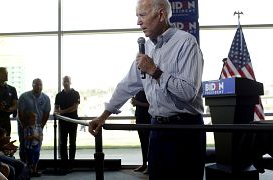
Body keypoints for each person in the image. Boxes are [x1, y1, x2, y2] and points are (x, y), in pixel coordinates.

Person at [88, 0, 205, 179]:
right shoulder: (147, 48)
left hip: (185, 130)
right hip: (157, 129)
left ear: (160, 15)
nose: (138, 22)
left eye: (142, 15)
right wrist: (103, 116)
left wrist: (154, 71)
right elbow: (126, 85)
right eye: (137, 16)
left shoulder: (186, 43)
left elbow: (188, 92)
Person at [18, 78, 51, 164]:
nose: (39, 86)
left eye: (40, 85)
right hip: (24, 126)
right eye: (36, 84)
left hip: (38, 127)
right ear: (32, 85)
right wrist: (24, 127)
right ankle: (23, 167)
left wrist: (41, 127)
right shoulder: (24, 96)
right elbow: (20, 113)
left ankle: (33, 168)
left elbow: (46, 113)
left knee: (37, 146)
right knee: (24, 145)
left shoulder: (46, 98)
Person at [54, 76, 80, 174]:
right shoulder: (58, 95)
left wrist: (62, 111)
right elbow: (56, 108)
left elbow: (74, 107)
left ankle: (71, 164)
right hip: (62, 122)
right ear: (62, 83)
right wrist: (56, 112)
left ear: (70, 82)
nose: (66, 82)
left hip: (73, 121)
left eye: (67, 81)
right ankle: (64, 164)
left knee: (72, 143)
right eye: (64, 81)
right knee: (62, 143)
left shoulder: (76, 93)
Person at [131, 90, 150, 174]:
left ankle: (150, 165)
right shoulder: (138, 90)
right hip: (140, 118)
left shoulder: (149, 89)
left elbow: (151, 105)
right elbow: (135, 103)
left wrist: (136, 102)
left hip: (148, 119)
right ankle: (144, 164)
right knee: (143, 142)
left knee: (149, 143)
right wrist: (134, 102)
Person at [23, 112, 43, 177]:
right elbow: (26, 137)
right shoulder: (27, 128)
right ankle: (29, 171)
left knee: (36, 158)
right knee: (30, 159)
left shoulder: (38, 127)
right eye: (33, 118)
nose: (35, 119)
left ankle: (34, 171)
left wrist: (37, 138)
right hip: (30, 147)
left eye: (36, 117)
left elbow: (40, 135)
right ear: (29, 119)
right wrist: (34, 137)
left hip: (37, 145)